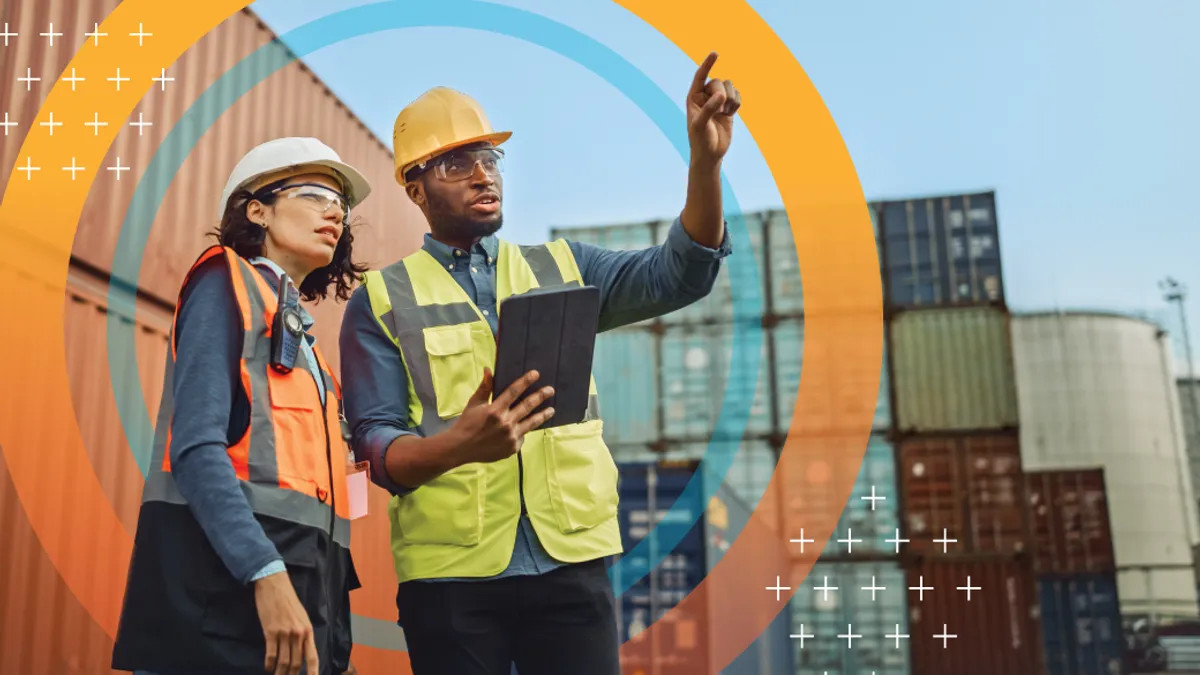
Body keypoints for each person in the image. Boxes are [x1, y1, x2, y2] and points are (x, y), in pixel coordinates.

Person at [337, 53, 740, 674]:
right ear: (414, 189)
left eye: (489, 158)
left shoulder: (563, 267)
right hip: (452, 582)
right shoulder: (383, 299)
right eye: (455, 162)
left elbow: (679, 275)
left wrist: (706, 164)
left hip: (571, 567)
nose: (481, 174)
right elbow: (375, 448)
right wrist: (458, 445)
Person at [112, 137, 372, 675]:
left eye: (341, 204)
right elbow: (196, 449)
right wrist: (266, 574)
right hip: (229, 606)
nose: (336, 212)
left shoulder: (310, 352)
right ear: (257, 209)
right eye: (316, 193)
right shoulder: (224, 282)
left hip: (299, 615)